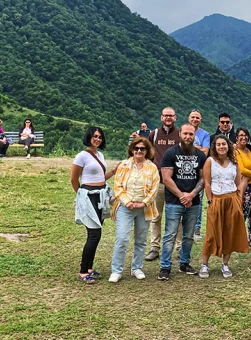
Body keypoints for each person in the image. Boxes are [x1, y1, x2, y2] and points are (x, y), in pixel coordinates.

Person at [108, 137, 160, 283]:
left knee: (141, 240)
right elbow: (117, 186)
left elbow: (154, 189)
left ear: (147, 151)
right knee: (122, 238)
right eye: (136, 148)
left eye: (142, 149)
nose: (139, 151)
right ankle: (116, 270)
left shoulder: (152, 167)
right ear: (131, 150)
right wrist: (127, 202)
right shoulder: (123, 165)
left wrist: (143, 203)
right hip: (125, 207)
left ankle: (137, 267)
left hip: (144, 208)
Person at [158, 123, 206, 280]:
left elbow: (203, 178)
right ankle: (165, 267)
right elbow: (166, 178)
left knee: (188, 235)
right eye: (185, 133)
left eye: (191, 134)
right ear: (180, 134)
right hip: (174, 201)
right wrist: (181, 195)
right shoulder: (170, 153)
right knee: (170, 234)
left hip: (193, 202)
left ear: (194, 136)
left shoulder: (200, 155)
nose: (188, 137)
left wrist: (191, 195)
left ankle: (184, 263)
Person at [199, 135, 249, 278]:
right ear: (215, 147)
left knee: (230, 232)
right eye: (218, 144)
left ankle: (225, 264)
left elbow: (238, 182)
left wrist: (239, 199)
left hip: (232, 199)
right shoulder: (210, 161)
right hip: (216, 199)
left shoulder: (234, 162)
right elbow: (207, 183)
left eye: (224, 144)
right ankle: (204, 264)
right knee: (211, 233)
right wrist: (210, 200)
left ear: (228, 146)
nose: (221, 147)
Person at [71, 126, 116, 284]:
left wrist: (115, 171)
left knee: (96, 235)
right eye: (95, 136)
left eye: (100, 137)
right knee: (94, 234)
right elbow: (74, 179)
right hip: (89, 196)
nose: (97, 139)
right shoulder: (81, 156)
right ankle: (83, 271)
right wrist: (81, 196)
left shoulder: (100, 154)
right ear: (89, 137)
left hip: (100, 196)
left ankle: (89, 268)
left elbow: (101, 176)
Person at [143, 107, 180, 262]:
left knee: (177, 217)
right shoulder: (154, 134)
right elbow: (148, 154)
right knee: (156, 216)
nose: (168, 118)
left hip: (176, 182)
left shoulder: (179, 134)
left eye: (170, 116)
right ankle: (154, 247)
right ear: (161, 117)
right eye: (165, 115)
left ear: (175, 117)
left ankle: (179, 248)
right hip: (158, 182)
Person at [189, 109, 210, 240]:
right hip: (183, 171)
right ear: (188, 118)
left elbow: (206, 152)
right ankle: (185, 227)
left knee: (198, 200)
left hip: (199, 171)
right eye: (193, 117)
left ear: (200, 120)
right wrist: (198, 147)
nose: (195, 119)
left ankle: (196, 228)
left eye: (197, 118)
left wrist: (191, 146)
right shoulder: (183, 131)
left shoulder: (205, 134)